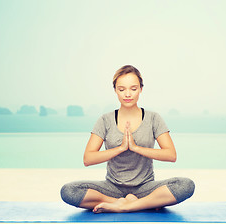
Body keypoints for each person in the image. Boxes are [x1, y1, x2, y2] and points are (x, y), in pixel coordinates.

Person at [60, 65, 195, 213]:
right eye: (122, 89)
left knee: (186, 185)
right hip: (112, 188)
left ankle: (126, 206)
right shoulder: (105, 120)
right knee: (69, 191)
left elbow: (171, 155)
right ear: (115, 91)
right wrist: (121, 148)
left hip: (145, 187)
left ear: (141, 89)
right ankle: (130, 203)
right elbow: (88, 158)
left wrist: (136, 148)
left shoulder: (153, 118)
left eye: (133, 88)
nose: (127, 94)